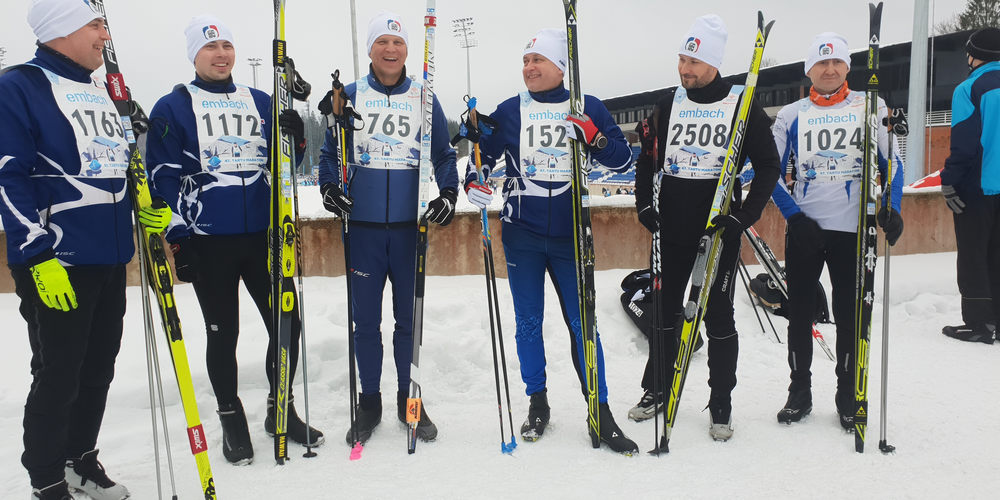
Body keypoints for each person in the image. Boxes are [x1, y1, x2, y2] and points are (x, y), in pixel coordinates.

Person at [0, 0, 170, 498]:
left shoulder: (100, 93)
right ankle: (47, 477)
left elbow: (115, 165)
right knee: (59, 374)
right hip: (57, 260)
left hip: (110, 255)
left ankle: (79, 457)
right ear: (62, 29)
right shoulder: (19, 86)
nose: (103, 36)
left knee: (98, 369)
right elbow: (8, 174)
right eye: (95, 26)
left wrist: (144, 205)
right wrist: (34, 254)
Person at [145, 15, 323, 465]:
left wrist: (296, 138)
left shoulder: (261, 98)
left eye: (226, 45)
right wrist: (177, 238)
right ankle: (231, 419)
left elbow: (287, 164)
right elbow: (161, 177)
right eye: (210, 47)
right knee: (223, 333)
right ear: (194, 55)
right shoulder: (174, 105)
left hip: (264, 236)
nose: (221, 54)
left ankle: (279, 409)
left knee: (287, 325)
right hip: (209, 238)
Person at [463, 28, 638, 454]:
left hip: (570, 235)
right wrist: (474, 182)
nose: (529, 68)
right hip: (521, 233)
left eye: (538, 60)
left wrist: (594, 137)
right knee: (528, 323)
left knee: (583, 325)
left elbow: (623, 158)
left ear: (561, 66)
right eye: (525, 61)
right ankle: (537, 401)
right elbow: (479, 160)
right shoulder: (509, 110)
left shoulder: (586, 105)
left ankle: (600, 411)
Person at [630, 15, 781, 441]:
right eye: (681, 58)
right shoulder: (668, 103)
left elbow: (769, 166)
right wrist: (644, 206)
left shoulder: (741, 101)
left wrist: (743, 216)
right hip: (672, 228)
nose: (685, 68)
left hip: (718, 231)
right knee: (665, 311)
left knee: (718, 315)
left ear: (712, 62)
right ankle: (656, 389)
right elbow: (647, 159)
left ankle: (721, 402)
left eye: (693, 61)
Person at [317, 11, 457, 446]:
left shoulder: (424, 97)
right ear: (371, 49)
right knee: (365, 323)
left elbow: (445, 156)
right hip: (362, 230)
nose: (390, 50)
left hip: (408, 230)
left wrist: (448, 195)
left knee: (407, 321)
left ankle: (407, 399)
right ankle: (370, 401)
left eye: (397, 43)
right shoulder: (352, 94)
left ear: (408, 50)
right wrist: (327, 189)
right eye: (383, 42)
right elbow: (327, 155)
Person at [768, 33, 904, 428]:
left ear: (847, 66)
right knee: (799, 315)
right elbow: (768, 173)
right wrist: (794, 216)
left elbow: (891, 162)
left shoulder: (870, 105)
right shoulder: (791, 114)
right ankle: (799, 390)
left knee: (850, 316)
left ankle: (848, 392)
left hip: (854, 230)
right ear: (809, 70)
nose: (829, 70)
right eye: (821, 63)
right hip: (806, 229)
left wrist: (889, 206)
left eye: (837, 62)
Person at [940, 27, 1000, 345]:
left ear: (976, 55)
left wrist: (949, 180)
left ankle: (980, 322)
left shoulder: (970, 88)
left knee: (974, 253)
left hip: (977, 186)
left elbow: (964, 143)